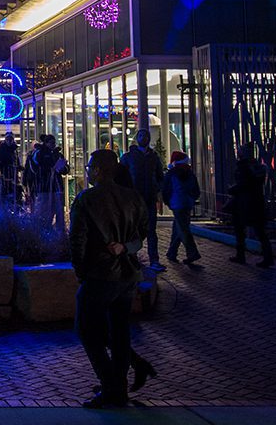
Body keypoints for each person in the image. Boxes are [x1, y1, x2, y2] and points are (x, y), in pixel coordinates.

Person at [69, 149, 153, 409]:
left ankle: (112, 386)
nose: (87, 170)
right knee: (118, 332)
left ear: (98, 170)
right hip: (127, 274)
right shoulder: (133, 197)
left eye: (90, 165)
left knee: (87, 329)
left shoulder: (87, 199)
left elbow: (77, 241)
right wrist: (125, 249)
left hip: (100, 274)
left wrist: (82, 271)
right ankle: (122, 382)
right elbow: (142, 234)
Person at [121, 129, 166, 271]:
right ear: (137, 138)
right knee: (132, 230)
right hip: (134, 200)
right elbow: (120, 176)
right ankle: (131, 259)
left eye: (146, 135)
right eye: (141, 135)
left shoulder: (154, 157)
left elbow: (160, 176)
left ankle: (154, 260)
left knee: (151, 230)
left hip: (149, 198)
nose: (144, 138)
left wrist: (157, 188)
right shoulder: (129, 157)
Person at [226, 142, 275, 267]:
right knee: (260, 232)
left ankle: (241, 255)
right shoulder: (257, 167)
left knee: (240, 231)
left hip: (243, 204)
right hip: (257, 202)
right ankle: (267, 257)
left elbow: (243, 184)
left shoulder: (243, 167)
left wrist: (232, 190)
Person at [160, 151, 202, 265]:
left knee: (182, 228)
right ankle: (172, 252)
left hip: (176, 203)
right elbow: (196, 190)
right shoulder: (189, 173)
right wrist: (192, 199)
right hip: (187, 203)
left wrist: (168, 201)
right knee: (180, 226)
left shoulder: (171, 174)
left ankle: (191, 253)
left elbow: (165, 190)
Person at [25, 135, 70, 231]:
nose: (53, 145)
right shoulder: (40, 153)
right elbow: (35, 167)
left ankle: (59, 229)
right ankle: (43, 228)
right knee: (44, 209)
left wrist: (62, 169)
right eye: (51, 143)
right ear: (46, 143)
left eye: (54, 143)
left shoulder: (58, 154)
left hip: (57, 186)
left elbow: (66, 168)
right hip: (45, 186)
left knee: (58, 209)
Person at [0, 132, 20, 200]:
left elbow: (16, 159)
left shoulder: (14, 148)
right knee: (6, 187)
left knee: (14, 188)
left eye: (11, 139)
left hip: (14, 172)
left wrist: (18, 166)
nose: (9, 141)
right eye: (8, 139)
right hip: (6, 172)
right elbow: (1, 160)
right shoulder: (2, 148)